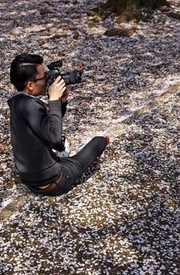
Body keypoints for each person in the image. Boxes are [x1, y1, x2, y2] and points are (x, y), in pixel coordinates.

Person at [8, 53, 109, 196]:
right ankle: (105, 139)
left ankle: (61, 157)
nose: (48, 80)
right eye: (44, 77)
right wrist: (53, 99)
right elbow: (55, 137)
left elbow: (47, 127)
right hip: (53, 183)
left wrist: (60, 103)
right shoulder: (31, 106)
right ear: (30, 85)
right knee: (96, 143)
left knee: (61, 152)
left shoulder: (18, 103)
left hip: (31, 179)